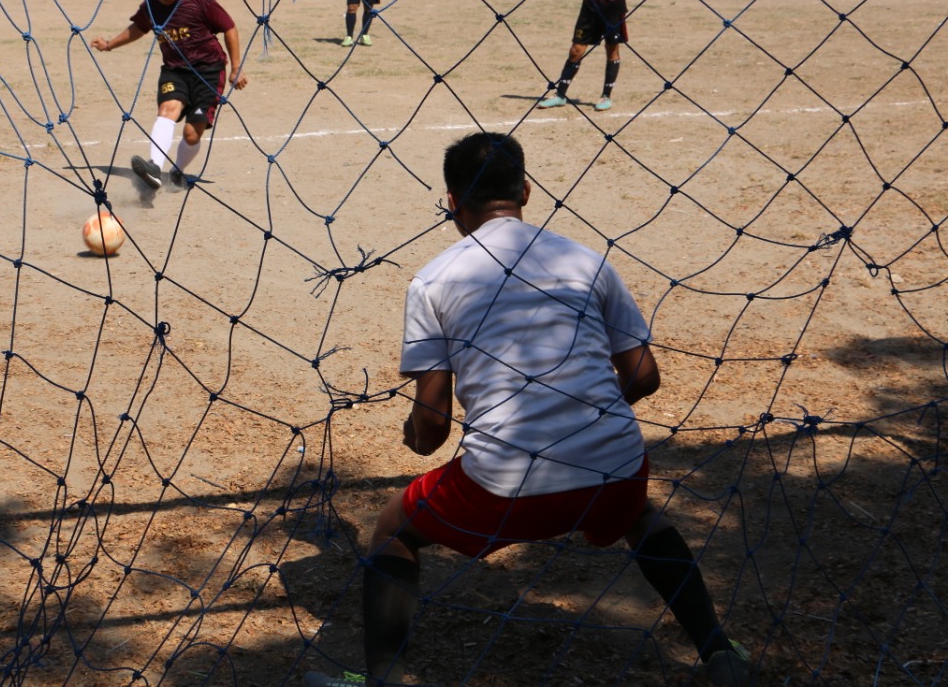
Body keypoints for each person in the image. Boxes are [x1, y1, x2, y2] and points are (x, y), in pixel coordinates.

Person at [305, 132, 751, 687]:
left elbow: (433, 425)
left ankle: (384, 680)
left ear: (450, 201)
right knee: (638, 512)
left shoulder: (434, 279)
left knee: (394, 526)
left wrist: (414, 436)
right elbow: (643, 376)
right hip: (613, 467)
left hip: (505, 487)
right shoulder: (586, 259)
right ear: (527, 190)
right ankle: (718, 652)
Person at [90, 0, 249, 197]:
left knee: (191, 133)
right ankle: (154, 168)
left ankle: (177, 170)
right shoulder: (151, 7)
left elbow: (229, 27)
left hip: (208, 71)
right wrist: (110, 44)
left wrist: (236, 68)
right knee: (167, 109)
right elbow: (139, 28)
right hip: (174, 71)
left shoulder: (199, 2)